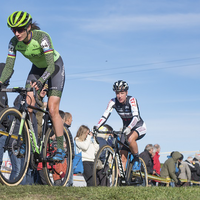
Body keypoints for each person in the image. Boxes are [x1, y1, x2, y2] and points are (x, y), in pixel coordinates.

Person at [0, 11, 65, 161]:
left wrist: (42, 82)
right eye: (13, 30)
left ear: (29, 27)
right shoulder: (13, 42)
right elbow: (9, 67)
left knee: (52, 108)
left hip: (54, 67)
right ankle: (29, 141)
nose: (17, 33)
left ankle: (61, 147)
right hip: (36, 68)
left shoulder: (42, 38)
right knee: (27, 104)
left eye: (20, 29)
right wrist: (1, 82)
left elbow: (50, 66)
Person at [95, 80, 147, 171]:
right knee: (122, 156)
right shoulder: (113, 101)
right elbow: (105, 115)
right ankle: (120, 181)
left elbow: (136, 117)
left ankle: (136, 158)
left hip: (138, 126)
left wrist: (129, 128)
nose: (119, 96)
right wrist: (97, 126)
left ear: (126, 92)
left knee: (130, 139)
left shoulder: (131, 100)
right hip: (125, 129)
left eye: (122, 93)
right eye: (117, 93)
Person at [63, 112, 74, 187]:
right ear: (68, 119)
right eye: (71, 119)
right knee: (67, 171)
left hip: (68, 154)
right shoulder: (65, 129)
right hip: (67, 154)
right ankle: (67, 184)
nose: (72, 121)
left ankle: (69, 183)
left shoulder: (66, 128)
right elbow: (64, 142)